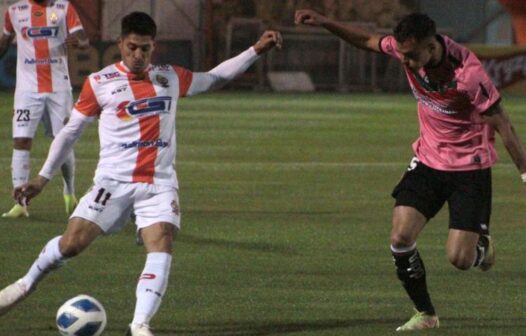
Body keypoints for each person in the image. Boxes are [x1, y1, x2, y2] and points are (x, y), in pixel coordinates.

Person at [0, 11, 281, 336]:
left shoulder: (170, 77)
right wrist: (42, 178)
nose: (138, 55)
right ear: (121, 43)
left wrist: (256, 50)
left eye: (145, 49)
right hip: (112, 184)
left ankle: (140, 325)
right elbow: (69, 133)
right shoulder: (100, 82)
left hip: (158, 184)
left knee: (160, 242)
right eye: (132, 47)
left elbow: (215, 78)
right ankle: (25, 284)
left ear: (153, 47)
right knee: (71, 245)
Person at [295, 9, 526, 331]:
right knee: (400, 236)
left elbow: (502, 122)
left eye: (412, 56)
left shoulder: (468, 73)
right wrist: (324, 22)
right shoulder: (407, 50)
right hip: (429, 160)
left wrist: (525, 173)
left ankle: (481, 247)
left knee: (460, 259)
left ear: (432, 47)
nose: (405, 61)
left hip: (469, 168)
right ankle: (426, 314)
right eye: (402, 54)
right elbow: (366, 39)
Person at [0, 0, 89, 218]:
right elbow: (3, 43)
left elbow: (83, 39)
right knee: (21, 140)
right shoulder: (14, 11)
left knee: (63, 139)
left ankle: (69, 192)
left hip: (59, 88)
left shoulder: (64, 7)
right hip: (27, 90)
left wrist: (78, 42)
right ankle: (20, 204)